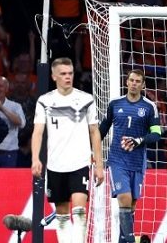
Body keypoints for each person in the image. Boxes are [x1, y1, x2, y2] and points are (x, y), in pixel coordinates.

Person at [32, 58, 105, 243]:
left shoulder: (86, 99)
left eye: (70, 73)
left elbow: (94, 132)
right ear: (54, 76)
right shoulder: (45, 101)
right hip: (55, 165)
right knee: (62, 215)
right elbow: (38, 131)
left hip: (80, 163)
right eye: (63, 74)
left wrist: (99, 164)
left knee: (79, 212)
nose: (68, 77)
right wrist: (35, 159)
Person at [98, 69, 162, 243]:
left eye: (138, 81)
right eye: (131, 80)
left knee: (131, 205)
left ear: (143, 85)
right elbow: (102, 130)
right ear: (126, 82)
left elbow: (156, 134)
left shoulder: (149, 107)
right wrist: (91, 151)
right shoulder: (115, 104)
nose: (134, 83)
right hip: (117, 160)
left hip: (137, 162)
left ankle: (124, 240)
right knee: (124, 198)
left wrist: (139, 140)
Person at [0, 76, 27, 167]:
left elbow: (21, 123)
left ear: (6, 89)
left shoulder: (15, 106)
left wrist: (2, 108)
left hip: (9, 154)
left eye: (0, 86)